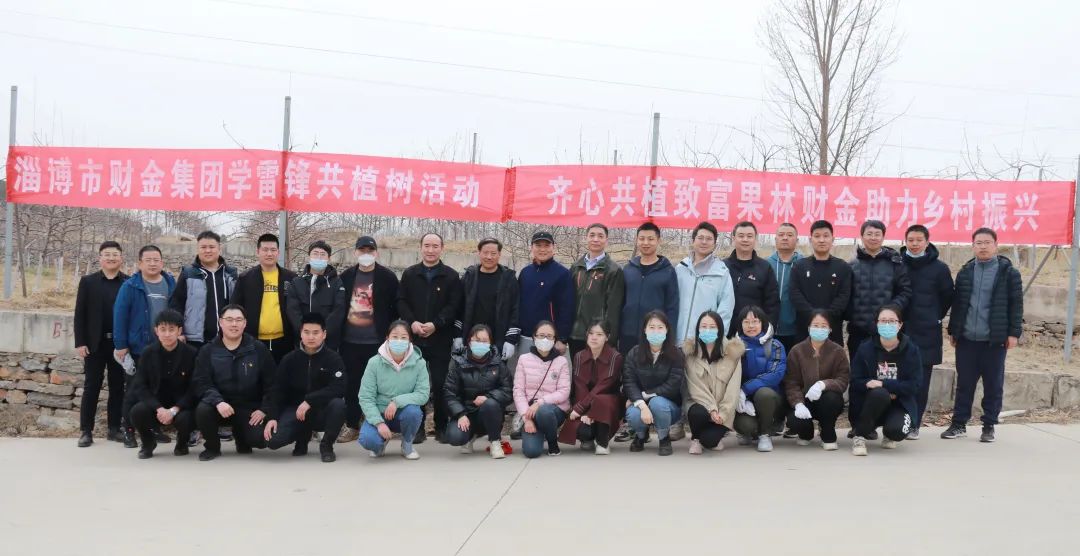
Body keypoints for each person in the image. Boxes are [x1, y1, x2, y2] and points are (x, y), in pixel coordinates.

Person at [942, 228, 1023, 444]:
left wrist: (1013, 333)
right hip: (967, 339)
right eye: (979, 243)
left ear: (996, 245)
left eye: (987, 242)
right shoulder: (966, 272)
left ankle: (989, 426)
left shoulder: (1009, 273)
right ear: (973, 246)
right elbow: (959, 304)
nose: (983, 246)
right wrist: (954, 330)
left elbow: (1016, 305)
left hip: (994, 340)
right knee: (964, 384)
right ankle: (959, 424)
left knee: (993, 385)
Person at [397, 232, 463, 443]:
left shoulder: (451, 276)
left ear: (442, 248)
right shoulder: (410, 274)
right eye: (427, 245)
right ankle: (417, 427)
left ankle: (441, 425)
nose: (431, 250)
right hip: (414, 338)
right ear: (421, 247)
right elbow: (401, 301)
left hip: (440, 338)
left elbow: (454, 306)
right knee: (413, 383)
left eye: (435, 246)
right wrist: (412, 323)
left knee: (440, 383)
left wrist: (437, 324)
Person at [192, 305, 277, 461]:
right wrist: (218, 401)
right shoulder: (208, 350)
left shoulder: (257, 348)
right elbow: (201, 382)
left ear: (245, 323)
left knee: (261, 440)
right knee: (203, 410)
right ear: (220, 322)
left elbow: (271, 383)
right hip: (219, 406)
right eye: (229, 320)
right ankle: (212, 447)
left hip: (248, 407)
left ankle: (242, 439)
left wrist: (264, 409)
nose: (234, 324)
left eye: (238, 320)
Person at [112, 245, 177, 447]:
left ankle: (153, 428)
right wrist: (121, 344)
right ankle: (128, 430)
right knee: (134, 390)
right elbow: (120, 315)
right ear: (140, 263)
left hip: (164, 348)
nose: (152, 263)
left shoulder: (170, 283)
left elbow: (176, 312)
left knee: (158, 391)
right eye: (148, 260)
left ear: (162, 262)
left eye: (156, 260)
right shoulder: (131, 286)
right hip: (138, 348)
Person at [337, 235, 399, 443]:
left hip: (378, 343)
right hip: (350, 342)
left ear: (376, 253)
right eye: (362, 251)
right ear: (355, 252)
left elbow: (395, 308)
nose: (366, 254)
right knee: (352, 385)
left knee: (380, 386)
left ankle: (382, 425)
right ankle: (352, 425)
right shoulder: (346, 276)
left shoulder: (387, 277)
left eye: (370, 251)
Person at [263, 313, 346, 463]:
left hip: (321, 409)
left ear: (324, 334)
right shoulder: (289, 359)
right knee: (273, 441)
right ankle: (302, 438)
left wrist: (310, 401)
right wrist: (272, 417)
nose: (311, 337)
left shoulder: (333, 358)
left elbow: (339, 387)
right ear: (300, 333)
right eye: (306, 332)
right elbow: (277, 390)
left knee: (338, 405)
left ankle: (327, 446)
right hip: (295, 410)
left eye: (315, 333)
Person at [901, 224, 954, 440]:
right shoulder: (897, 264)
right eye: (910, 240)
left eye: (919, 240)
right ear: (905, 241)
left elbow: (948, 296)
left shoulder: (939, 268)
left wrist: (934, 316)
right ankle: (897, 422)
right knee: (897, 377)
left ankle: (914, 424)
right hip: (899, 331)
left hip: (927, 331)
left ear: (927, 241)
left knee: (920, 382)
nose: (914, 244)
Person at [74, 241, 129, 447]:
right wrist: (80, 342)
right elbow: (80, 314)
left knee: (118, 387)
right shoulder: (88, 282)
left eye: (115, 254)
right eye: (107, 254)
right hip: (94, 344)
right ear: (100, 258)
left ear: (121, 258)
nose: (111, 258)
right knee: (92, 386)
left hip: (119, 345)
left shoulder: (128, 282)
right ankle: (86, 431)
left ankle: (114, 429)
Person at [849, 305, 920, 456]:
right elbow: (855, 380)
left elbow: (914, 385)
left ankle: (889, 433)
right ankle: (859, 436)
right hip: (871, 403)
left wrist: (884, 384)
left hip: (899, 403)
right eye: (883, 321)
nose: (887, 324)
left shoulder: (911, 350)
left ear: (900, 324)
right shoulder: (865, 348)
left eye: (892, 321)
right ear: (877, 324)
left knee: (896, 431)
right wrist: (868, 384)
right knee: (879, 394)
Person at [126, 309, 198, 459]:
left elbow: (194, 387)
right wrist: (159, 408)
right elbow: (140, 385)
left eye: (171, 329)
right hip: (156, 403)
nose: (167, 334)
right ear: (156, 331)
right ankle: (148, 443)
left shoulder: (191, 353)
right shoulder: (147, 353)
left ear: (179, 331)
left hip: (181, 405)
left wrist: (175, 409)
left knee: (187, 418)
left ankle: (182, 443)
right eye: (163, 329)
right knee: (137, 412)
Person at [357, 320, 430, 460]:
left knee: (413, 412)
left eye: (404, 337)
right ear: (387, 338)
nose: (399, 341)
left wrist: (396, 402)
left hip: (403, 413)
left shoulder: (419, 363)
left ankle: (407, 444)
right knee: (367, 440)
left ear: (410, 340)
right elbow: (366, 397)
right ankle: (381, 442)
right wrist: (379, 423)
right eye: (395, 337)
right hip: (380, 413)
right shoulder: (374, 363)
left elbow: (423, 394)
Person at [443, 324, 514, 458]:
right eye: (477, 340)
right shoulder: (458, 363)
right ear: (469, 341)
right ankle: (470, 436)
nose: (480, 344)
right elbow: (449, 393)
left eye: (485, 341)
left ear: (490, 343)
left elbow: (508, 391)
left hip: (490, 412)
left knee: (490, 404)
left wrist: (488, 397)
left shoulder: (498, 363)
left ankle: (495, 442)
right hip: (467, 413)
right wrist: (460, 414)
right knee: (454, 437)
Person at [782, 310, 849, 451]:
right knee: (795, 421)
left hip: (826, 401)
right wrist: (798, 404)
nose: (819, 329)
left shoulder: (837, 351)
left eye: (824, 326)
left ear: (830, 329)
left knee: (832, 399)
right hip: (804, 400)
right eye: (815, 325)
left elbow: (842, 380)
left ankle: (827, 431)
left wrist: (823, 384)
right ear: (808, 328)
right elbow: (791, 382)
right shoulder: (797, 351)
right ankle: (806, 433)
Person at [847, 220, 912, 362]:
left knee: (887, 371)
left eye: (877, 234)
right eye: (869, 234)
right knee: (859, 370)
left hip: (887, 330)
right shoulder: (851, 265)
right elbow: (845, 295)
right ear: (862, 237)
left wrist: (891, 310)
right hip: (858, 331)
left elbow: (905, 292)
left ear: (883, 237)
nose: (873, 237)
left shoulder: (895, 264)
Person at [622, 310, 685, 456]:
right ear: (644, 330)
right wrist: (642, 405)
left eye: (660, 327)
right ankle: (641, 435)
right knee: (633, 414)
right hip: (641, 403)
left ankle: (664, 438)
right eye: (651, 327)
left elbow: (673, 385)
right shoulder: (634, 353)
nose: (656, 331)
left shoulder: (676, 354)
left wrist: (643, 397)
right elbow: (629, 382)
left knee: (657, 403)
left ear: (667, 330)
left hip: (669, 406)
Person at [559, 319, 624, 455]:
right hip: (584, 402)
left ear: (607, 337)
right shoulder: (579, 356)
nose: (594, 337)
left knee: (602, 400)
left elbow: (603, 386)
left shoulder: (615, 357)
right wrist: (584, 412)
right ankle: (587, 438)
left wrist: (585, 409)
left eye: (599, 334)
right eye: (591, 333)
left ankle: (602, 442)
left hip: (608, 404)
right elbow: (580, 386)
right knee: (582, 431)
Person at [683, 311, 745, 455]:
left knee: (710, 442)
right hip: (701, 405)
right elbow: (695, 387)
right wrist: (711, 409)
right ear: (698, 329)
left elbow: (733, 389)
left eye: (712, 327)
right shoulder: (690, 353)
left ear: (720, 329)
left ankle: (710, 436)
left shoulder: (733, 354)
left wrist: (722, 413)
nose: (707, 330)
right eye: (703, 326)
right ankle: (695, 438)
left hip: (723, 411)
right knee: (697, 412)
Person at [232, 233, 297, 364]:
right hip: (253, 340)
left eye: (273, 250)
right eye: (265, 250)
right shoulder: (245, 278)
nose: (269, 254)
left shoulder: (290, 278)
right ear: (258, 252)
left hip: (284, 341)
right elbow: (235, 308)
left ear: (278, 252)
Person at [169, 230, 238, 349]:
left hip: (227, 339)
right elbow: (176, 304)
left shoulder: (230, 274)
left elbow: (239, 304)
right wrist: (178, 331)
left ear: (219, 248)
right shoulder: (188, 274)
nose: (207, 250)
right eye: (203, 247)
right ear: (198, 249)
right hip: (195, 341)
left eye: (211, 247)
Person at [732, 305, 787, 452]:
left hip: (769, 399)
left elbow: (775, 375)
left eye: (755, 321)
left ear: (762, 323)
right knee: (746, 425)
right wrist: (739, 395)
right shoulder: (733, 347)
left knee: (764, 393)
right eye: (746, 322)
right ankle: (749, 432)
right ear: (740, 325)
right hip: (743, 401)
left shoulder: (774, 345)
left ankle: (765, 434)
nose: (751, 326)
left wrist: (745, 389)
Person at [513, 321, 571, 458]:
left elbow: (564, 391)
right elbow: (518, 391)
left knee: (544, 411)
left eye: (549, 336)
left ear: (555, 339)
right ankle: (540, 433)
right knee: (531, 452)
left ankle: (552, 443)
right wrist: (526, 419)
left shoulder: (561, 361)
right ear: (534, 337)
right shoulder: (523, 359)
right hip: (530, 413)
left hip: (553, 410)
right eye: (541, 335)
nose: (545, 339)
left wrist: (540, 403)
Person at [457, 237, 520, 362]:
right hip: (471, 340)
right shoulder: (469, 277)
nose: (489, 257)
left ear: (499, 254)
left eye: (493, 253)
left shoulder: (509, 279)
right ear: (479, 253)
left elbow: (516, 309)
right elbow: (459, 307)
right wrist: (457, 335)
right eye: (485, 253)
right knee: (468, 372)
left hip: (498, 340)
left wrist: (511, 340)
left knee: (496, 373)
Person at [790, 220, 851, 346]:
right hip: (804, 328)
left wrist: (825, 318)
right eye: (817, 236)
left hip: (832, 327)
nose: (821, 240)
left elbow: (844, 295)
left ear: (832, 239)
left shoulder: (843, 267)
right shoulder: (799, 266)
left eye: (826, 236)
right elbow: (794, 293)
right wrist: (812, 316)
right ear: (810, 239)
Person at [620, 222, 679, 352]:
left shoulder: (668, 271)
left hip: (655, 336)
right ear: (636, 240)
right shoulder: (628, 269)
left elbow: (672, 307)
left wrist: (670, 337)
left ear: (658, 241)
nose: (646, 242)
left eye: (650, 239)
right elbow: (620, 302)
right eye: (642, 238)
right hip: (627, 334)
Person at [517, 230, 574, 360]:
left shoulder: (562, 274)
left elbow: (567, 308)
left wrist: (562, 338)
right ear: (531, 247)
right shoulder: (525, 272)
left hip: (549, 338)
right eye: (538, 245)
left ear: (554, 248)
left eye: (547, 245)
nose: (542, 249)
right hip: (525, 336)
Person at [569, 223, 624, 356]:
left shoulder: (613, 270)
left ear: (606, 240)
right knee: (577, 368)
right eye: (592, 235)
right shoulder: (576, 267)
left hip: (598, 336)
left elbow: (614, 308)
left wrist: (610, 338)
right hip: (575, 334)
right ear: (586, 238)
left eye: (600, 236)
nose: (595, 239)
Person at [675, 221, 735, 343]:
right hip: (677, 340)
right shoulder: (680, 268)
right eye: (700, 238)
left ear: (714, 244)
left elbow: (726, 309)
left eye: (709, 239)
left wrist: (715, 339)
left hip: (704, 342)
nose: (704, 242)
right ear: (693, 240)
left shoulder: (721, 273)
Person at [285, 240, 346, 350]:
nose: (319, 257)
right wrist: (306, 333)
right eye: (315, 253)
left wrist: (321, 334)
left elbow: (338, 311)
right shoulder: (297, 282)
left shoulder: (337, 283)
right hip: (302, 342)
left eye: (323, 254)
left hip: (328, 343)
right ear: (309, 256)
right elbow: (293, 311)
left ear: (329, 258)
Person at [724, 221, 780, 336]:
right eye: (741, 236)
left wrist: (766, 332)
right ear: (734, 238)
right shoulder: (723, 267)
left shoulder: (765, 267)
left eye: (749, 236)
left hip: (754, 333)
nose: (745, 239)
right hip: (725, 331)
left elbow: (772, 304)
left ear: (755, 239)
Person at [768, 222, 803, 352]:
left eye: (789, 235)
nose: (785, 238)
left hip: (796, 330)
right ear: (775, 239)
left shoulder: (804, 265)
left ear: (797, 240)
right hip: (769, 329)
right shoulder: (766, 264)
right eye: (781, 235)